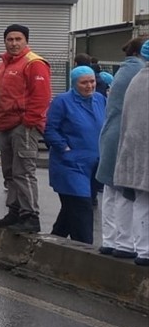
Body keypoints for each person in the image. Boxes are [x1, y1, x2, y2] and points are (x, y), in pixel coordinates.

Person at [0, 24, 52, 233]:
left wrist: (29, 121)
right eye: (10, 39)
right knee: (9, 172)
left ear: (26, 41)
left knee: (23, 171)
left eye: (18, 39)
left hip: (23, 126)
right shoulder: (3, 65)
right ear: (4, 41)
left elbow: (41, 96)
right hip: (5, 125)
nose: (14, 43)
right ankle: (14, 211)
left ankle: (30, 215)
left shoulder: (34, 63)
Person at [44, 66, 106, 244]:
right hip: (70, 165)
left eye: (92, 81)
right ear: (74, 83)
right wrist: (64, 148)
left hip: (93, 165)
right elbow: (50, 129)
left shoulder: (100, 99)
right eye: (84, 82)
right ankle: (85, 250)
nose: (89, 86)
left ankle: (52, 244)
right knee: (81, 208)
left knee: (70, 211)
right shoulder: (62, 101)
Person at [96, 38, 146, 257]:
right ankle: (128, 244)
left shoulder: (126, 71)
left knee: (112, 190)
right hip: (127, 138)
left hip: (114, 136)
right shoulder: (138, 71)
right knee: (129, 192)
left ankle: (112, 241)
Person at [111, 60, 149, 266]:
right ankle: (144, 250)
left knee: (140, 200)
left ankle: (139, 248)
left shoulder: (137, 79)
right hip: (143, 150)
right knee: (143, 201)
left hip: (135, 150)